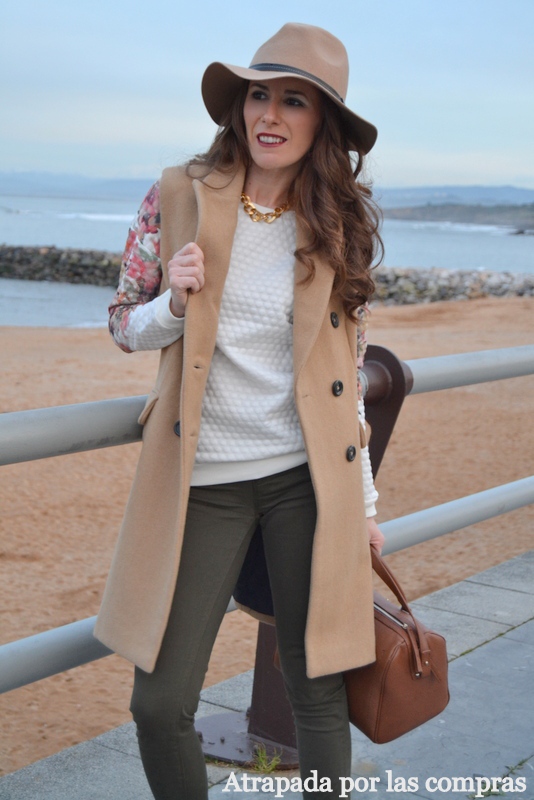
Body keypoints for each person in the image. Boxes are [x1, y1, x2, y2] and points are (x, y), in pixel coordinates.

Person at [95, 22, 385, 800]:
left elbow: (347, 376)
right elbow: (122, 322)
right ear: (240, 104)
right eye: (260, 94)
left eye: (295, 100)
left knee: (318, 690)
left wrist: (362, 505)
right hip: (201, 482)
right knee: (159, 704)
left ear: (323, 122)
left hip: (305, 482)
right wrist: (173, 304)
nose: (270, 115)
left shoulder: (337, 221)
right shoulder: (178, 194)